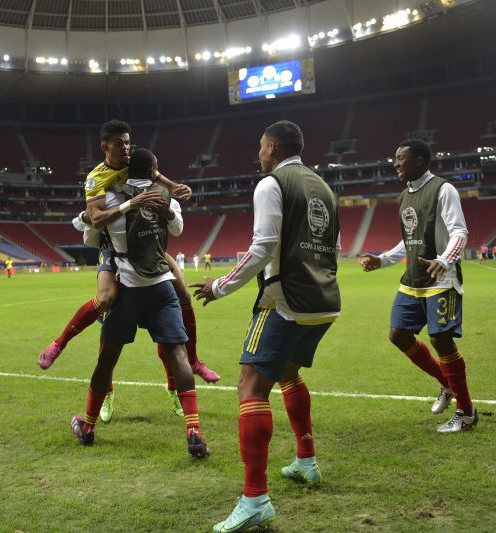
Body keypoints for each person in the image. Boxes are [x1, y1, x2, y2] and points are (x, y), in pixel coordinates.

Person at [193, 121, 341, 532]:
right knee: (289, 373)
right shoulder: (324, 188)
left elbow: (263, 246)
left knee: (250, 386)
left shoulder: (271, 183)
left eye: (260, 146)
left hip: (285, 300)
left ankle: (255, 499)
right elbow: (333, 248)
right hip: (325, 302)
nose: (258, 153)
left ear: (272, 146)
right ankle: (306, 461)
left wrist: (220, 285)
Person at [38, 120, 219, 390]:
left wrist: (179, 189)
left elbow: (162, 180)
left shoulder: (136, 162)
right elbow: (96, 218)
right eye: (119, 143)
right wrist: (130, 203)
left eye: (127, 141)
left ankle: (193, 361)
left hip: (145, 245)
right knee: (108, 298)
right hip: (114, 247)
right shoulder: (95, 178)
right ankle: (59, 343)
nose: (125, 147)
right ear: (104, 147)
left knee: (182, 293)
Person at [69, 148, 210, 458]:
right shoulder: (166, 197)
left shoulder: (111, 198)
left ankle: (89, 426)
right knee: (178, 355)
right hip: (161, 287)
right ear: (156, 170)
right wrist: (168, 205)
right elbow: (177, 229)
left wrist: (88, 218)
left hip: (128, 289)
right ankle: (194, 430)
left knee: (107, 359)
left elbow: (89, 233)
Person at [359, 139, 477, 435]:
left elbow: (460, 231)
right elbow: (408, 240)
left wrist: (445, 259)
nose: (396, 163)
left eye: (402, 159)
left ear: (421, 161)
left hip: (441, 280)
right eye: (395, 158)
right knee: (398, 335)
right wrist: (383, 260)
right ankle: (446, 384)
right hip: (412, 281)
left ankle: (466, 412)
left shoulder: (443, 189)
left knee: (441, 341)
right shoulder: (404, 196)